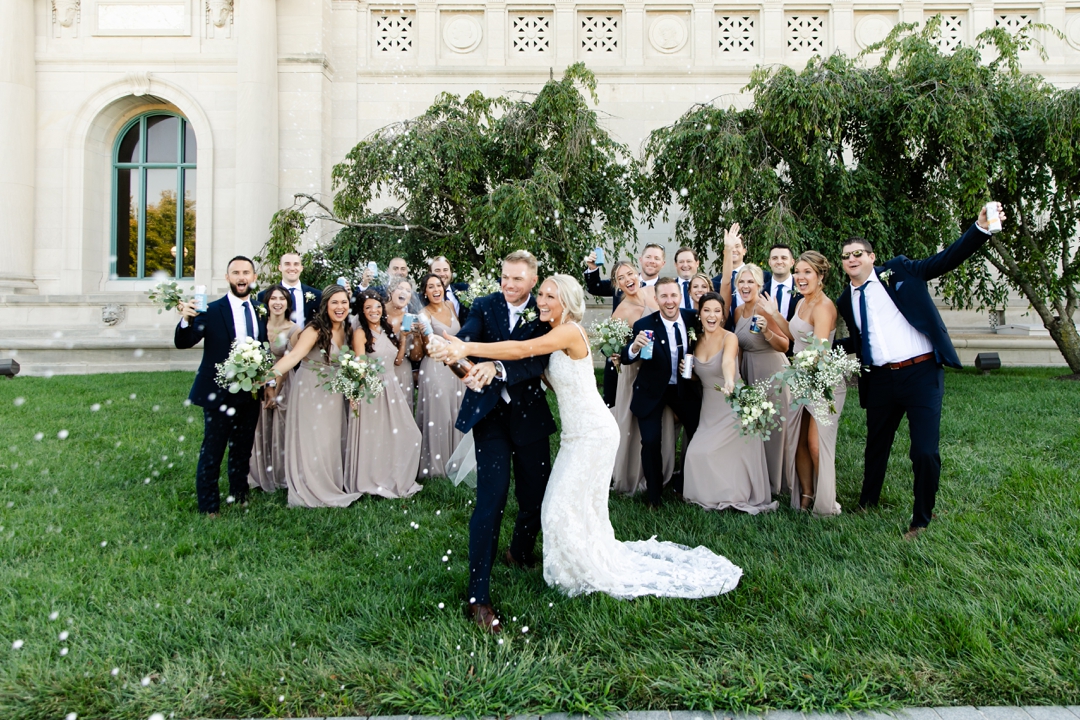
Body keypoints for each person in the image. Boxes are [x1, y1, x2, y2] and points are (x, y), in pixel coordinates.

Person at [434, 274, 741, 603]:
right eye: (541, 295)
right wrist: (466, 362)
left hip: (593, 432)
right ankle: (575, 558)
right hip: (576, 434)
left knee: (557, 507)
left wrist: (465, 346)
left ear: (565, 302)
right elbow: (532, 366)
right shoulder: (552, 332)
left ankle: (579, 568)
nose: (541, 301)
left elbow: (521, 349)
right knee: (573, 505)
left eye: (550, 296)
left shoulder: (568, 331)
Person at [836, 203, 1005, 540]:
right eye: (846, 256)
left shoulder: (900, 272)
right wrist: (813, 352)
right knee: (876, 444)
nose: (852, 259)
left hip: (921, 374)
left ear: (872, 257)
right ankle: (867, 501)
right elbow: (858, 339)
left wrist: (980, 229)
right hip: (881, 378)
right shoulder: (845, 300)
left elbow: (943, 260)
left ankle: (921, 519)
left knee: (924, 451)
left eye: (858, 253)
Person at [427, 250, 556, 633]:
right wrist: (454, 354)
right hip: (491, 419)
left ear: (533, 281)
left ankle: (518, 551)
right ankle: (477, 597)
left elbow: (536, 360)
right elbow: (466, 340)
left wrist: (495, 366)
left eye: (517, 279)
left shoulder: (545, 311)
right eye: (505, 276)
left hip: (530, 416)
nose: (509, 284)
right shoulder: (484, 305)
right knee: (491, 500)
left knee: (535, 495)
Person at [174, 256, 268, 515]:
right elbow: (185, 341)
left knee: (242, 448)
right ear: (227, 278)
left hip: (249, 392)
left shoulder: (261, 309)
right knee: (213, 450)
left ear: (254, 277)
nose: (241, 277)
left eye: (246, 272)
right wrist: (185, 320)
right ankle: (209, 506)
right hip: (218, 392)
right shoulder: (212, 310)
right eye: (236, 273)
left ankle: (239, 495)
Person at [266, 285, 360, 508]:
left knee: (330, 438)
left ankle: (330, 482)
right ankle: (310, 486)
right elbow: (295, 356)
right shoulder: (315, 329)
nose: (340, 307)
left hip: (334, 392)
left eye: (344, 302)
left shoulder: (347, 328)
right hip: (312, 388)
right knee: (313, 439)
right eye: (334, 302)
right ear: (325, 305)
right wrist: (270, 376)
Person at [682, 292, 775, 514]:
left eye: (717, 311)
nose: (712, 315)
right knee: (696, 453)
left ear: (723, 316)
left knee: (709, 452)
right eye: (707, 310)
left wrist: (731, 380)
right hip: (710, 409)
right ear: (700, 314)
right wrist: (690, 374)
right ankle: (710, 495)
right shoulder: (694, 340)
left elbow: (727, 362)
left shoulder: (729, 338)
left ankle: (731, 494)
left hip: (733, 404)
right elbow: (700, 375)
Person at [621, 277, 703, 508]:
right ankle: (654, 496)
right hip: (652, 390)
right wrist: (635, 346)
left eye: (673, 295)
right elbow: (626, 357)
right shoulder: (643, 324)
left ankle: (686, 484)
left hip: (684, 388)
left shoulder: (692, 319)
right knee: (650, 440)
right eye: (664, 296)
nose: (669, 301)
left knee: (699, 432)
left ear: (680, 296)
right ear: (656, 299)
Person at [780, 252, 844, 515]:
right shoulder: (801, 303)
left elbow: (818, 350)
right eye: (797, 272)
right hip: (800, 378)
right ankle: (806, 495)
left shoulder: (824, 306)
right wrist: (773, 315)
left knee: (817, 445)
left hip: (822, 381)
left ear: (820, 275)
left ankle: (828, 502)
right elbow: (793, 337)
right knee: (800, 442)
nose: (800, 277)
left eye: (807, 272)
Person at [343, 291, 423, 498]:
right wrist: (356, 391)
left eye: (377, 306)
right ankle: (371, 479)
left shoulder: (386, 329)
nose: (374, 311)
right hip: (371, 387)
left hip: (391, 386)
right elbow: (359, 363)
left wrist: (403, 339)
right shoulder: (360, 333)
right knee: (375, 436)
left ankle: (391, 475)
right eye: (368, 307)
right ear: (362, 311)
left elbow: (397, 361)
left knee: (407, 433)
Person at [606, 260, 675, 496]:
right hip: (634, 371)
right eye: (621, 278)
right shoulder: (620, 312)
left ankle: (661, 470)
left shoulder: (652, 294)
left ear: (637, 274)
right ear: (617, 284)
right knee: (632, 422)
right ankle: (631, 473)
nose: (627, 279)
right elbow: (613, 351)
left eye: (629, 273)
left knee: (661, 419)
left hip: (660, 368)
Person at [733, 263, 794, 495]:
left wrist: (768, 332)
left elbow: (785, 344)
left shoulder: (763, 309)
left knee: (775, 428)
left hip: (771, 371)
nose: (745, 286)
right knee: (755, 428)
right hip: (749, 371)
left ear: (759, 285)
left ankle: (777, 484)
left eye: (750, 282)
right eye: (742, 282)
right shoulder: (739, 311)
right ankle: (757, 478)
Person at [585, 243, 665, 407]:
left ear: (663, 263)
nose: (652, 261)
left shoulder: (660, 290)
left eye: (656, 258)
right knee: (618, 404)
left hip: (661, 360)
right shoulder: (620, 293)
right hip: (633, 359)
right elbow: (595, 286)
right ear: (641, 260)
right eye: (648, 257)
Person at [248, 285, 301, 493]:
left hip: (283, 383)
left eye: (282, 298)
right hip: (257, 381)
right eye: (273, 298)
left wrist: (274, 390)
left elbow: (289, 363)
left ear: (288, 303)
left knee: (281, 426)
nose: (278, 302)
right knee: (259, 427)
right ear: (267, 302)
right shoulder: (258, 325)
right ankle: (260, 474)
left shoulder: (294, 329)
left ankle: (281, 475)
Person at [415, 273, 465, 479]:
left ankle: (458, 461)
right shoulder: (423, 314)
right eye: (430, 287)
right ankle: (437, 465)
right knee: (441, 414)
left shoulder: (451, 307)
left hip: (456, 366)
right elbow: (427, 349)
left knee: (457, 410)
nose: (436, 290)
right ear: (425, 292)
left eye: (439, 285)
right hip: (436, 367)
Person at [384, 277, 424, 412]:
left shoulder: (410, 320)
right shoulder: (375, 313)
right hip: (378, 371)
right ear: (390, 290)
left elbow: (416, 357)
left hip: (402, 374)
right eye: (400, 288)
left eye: (408, 290)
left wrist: (417, 337)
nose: (404, 292)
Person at [257, 252, 321, 326]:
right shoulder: (264, 295)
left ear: (301, 268)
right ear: (280, 267)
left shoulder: (317, 295)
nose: (292, 268)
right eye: (287, 264)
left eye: (296, 264)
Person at [765, 244, 800, 324]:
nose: (779, 262)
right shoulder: (761, 290)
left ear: (792, 262)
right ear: (770, 262)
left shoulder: (802, 290)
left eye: (784, 258)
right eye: (774, 258)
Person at [431, 256, 470, 323]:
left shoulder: (464, 290)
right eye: (437, 270)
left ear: (451, 273)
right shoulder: (423, 299)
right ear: (430, 273)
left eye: (445, 270)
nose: (442, 274)